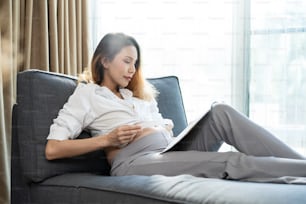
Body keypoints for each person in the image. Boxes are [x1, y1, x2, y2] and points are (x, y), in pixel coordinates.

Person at [45, 33, 306, 184]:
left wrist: (162, 126)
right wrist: (107, 140)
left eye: (135, 63)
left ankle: (300, 164)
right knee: (231, 161)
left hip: (169, 148)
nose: (132, 69)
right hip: (135, 162)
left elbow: (162, 127)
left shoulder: (136, 96)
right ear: (104, 60)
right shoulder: (88, 94)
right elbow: (53, 148)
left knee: (221, 111)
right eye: (126, 61)